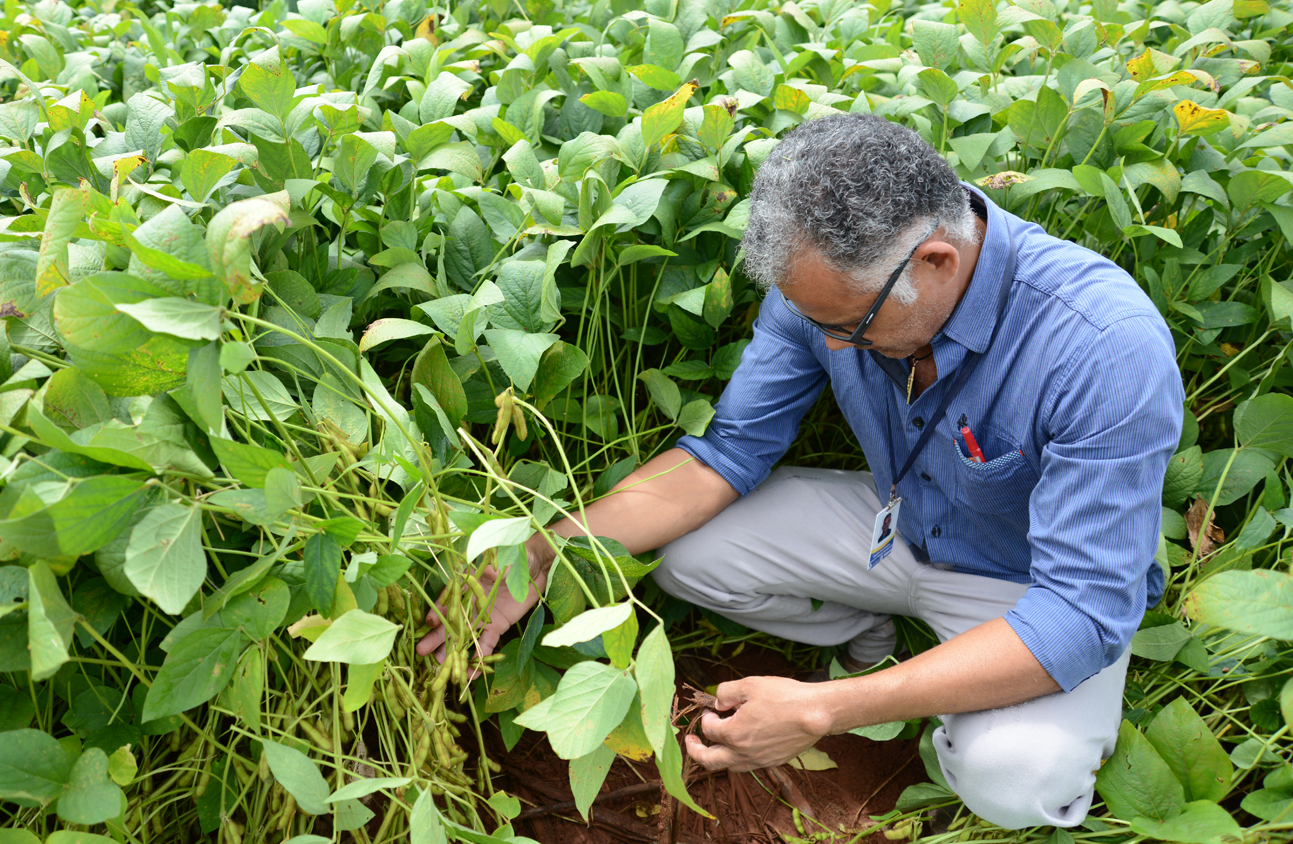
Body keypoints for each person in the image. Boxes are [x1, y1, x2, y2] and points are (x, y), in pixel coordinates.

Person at [418, 113, 1183, 829]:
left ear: (936, 262)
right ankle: (874, 629)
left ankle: (974, 700)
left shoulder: (1103, 347)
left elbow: (1083, 611)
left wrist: (828, 707)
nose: (832, 345)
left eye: (845, 327)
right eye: (814, 323)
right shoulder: (829, 289)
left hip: (1030, 585)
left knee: (1016, 779)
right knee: (689, 555)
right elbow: (725, 456)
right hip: (904, 522)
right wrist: (546, 549)